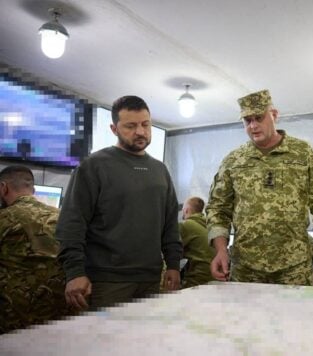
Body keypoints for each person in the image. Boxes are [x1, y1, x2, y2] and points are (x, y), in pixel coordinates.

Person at [56, 95, 182, 311]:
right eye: (130, 126)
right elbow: (71, 223)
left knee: (146, 341)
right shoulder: (94, 166)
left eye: (145, 124)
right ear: (114, 129)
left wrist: (173, 265)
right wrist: (75, 272)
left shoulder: (160, 170)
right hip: (107, 281)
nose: (140, 132)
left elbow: (170, 222)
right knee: (105, 343)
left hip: (151, 278)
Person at [206, 89, 313, 286]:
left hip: (294, 267)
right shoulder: (234, 160)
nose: (253, 125)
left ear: (274, 115)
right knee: (246, 317)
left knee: (296, 316)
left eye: (259, 118)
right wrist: (220, 250)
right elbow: (218, 208)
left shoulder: (303, 153)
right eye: (247, 120)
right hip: (245, 268)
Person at [0, 165, 70, 333]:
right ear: (34, 189)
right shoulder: (64, 217)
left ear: (3, 188)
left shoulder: (4, 218)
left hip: (16, 318)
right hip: (62, 315)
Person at [179, 196, 215, 288]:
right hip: (215, 277)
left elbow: (172, 250)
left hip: (198, 280)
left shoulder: (186, 225)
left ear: (186, 210)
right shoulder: (208, 225)